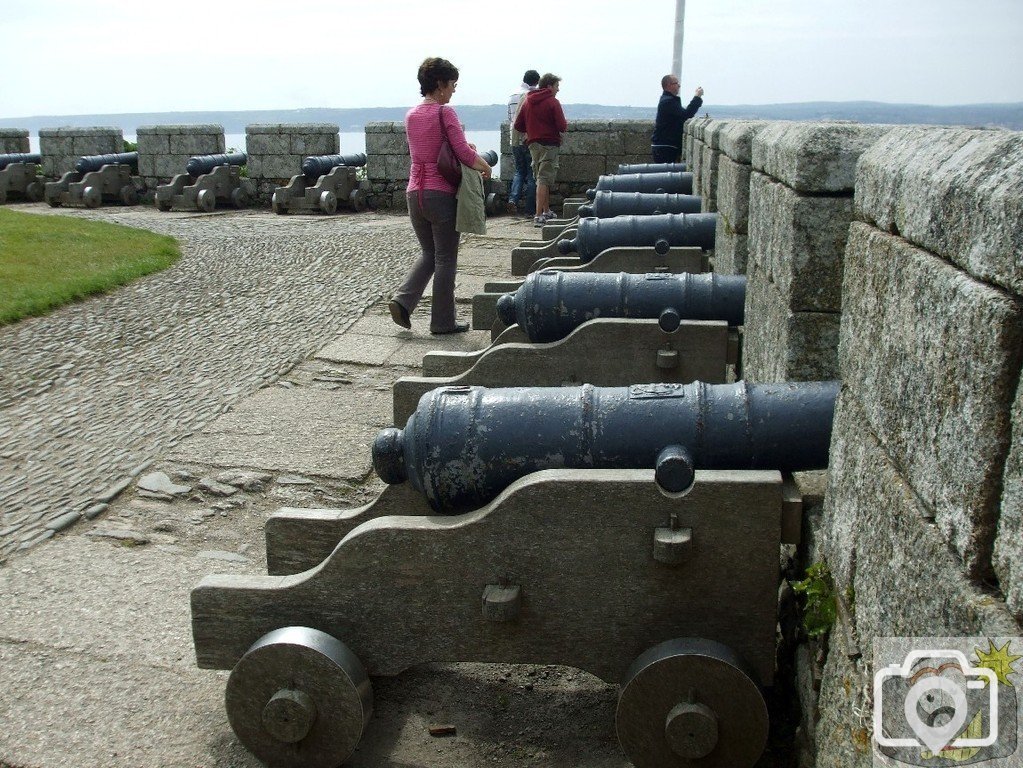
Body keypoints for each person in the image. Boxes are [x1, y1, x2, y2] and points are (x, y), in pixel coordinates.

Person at [389, 57, 493, 335]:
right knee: (446, 258)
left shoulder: (411, 115)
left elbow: (425, 151)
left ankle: (403, 301)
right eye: (452, 84)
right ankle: (442, 322)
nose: (453, 90)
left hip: (415, 194)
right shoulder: (444, 113)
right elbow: (461, 153)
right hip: (440, 195)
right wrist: (485, 166)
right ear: (439, 84)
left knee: (429, 253)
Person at [514, 72, 567, 227]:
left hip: (533, 144)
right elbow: (562, 126)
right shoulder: (552, 102)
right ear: (549, 86)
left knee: (540, 177)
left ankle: (546, 210)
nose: (558, 89)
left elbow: (518, 125)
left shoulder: (528, 101)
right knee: (544, 178)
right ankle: (538, 215)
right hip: (549, 144)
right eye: (557, 86)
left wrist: (531, 130)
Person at [507, 69, 540, 216]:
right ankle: (530, 209)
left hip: (513, 138)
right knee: (532, 174)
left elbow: (510, 117)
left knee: (519, 171)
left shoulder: (512, 95)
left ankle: (513, 199)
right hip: (528, 138)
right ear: (536, 82)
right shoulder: (531, 96)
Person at [651, 75, 704, 163]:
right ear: (668, 85)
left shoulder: (668, 100)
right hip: (665, 146)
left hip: (665, 145)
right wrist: (697, 97)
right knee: (665, 174)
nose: (679, 86)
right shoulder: (668, 102)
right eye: (676, 83)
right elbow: (687, 114)